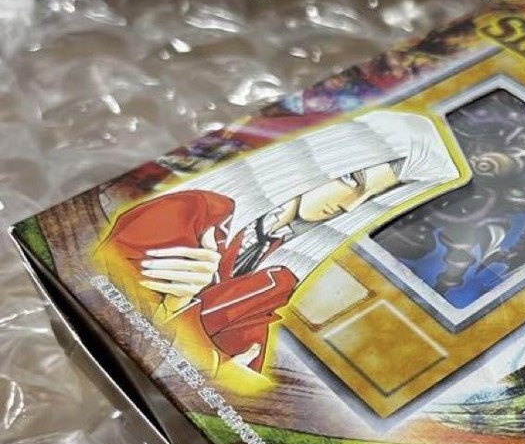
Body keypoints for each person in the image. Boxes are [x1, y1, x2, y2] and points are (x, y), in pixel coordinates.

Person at [95, 110, 461, 377]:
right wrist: (180, 316)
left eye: (370, 199)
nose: (350, 205)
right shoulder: (198, 208)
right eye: (352, 179)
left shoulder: (276, 278)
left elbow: (236, 368)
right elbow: (102, 292)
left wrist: (185, 320)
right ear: (332, 155)